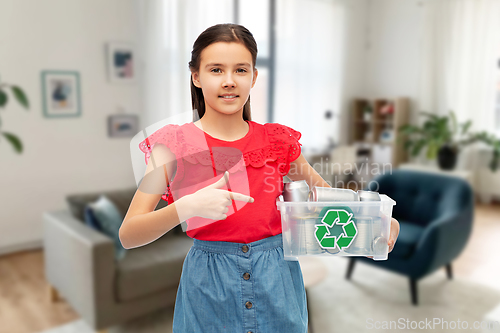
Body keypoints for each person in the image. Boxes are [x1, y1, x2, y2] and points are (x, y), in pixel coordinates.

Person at [119, 23, 400, 333]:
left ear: (253, 77)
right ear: (196, 77)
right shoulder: (172, 145)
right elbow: (129, 235)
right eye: (216, 70)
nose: (229, 81)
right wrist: (186, 207)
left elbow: (325, 195)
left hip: (277, 280)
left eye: (240, 70)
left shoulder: (277, 141)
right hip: (209, 285)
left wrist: (377, 218)